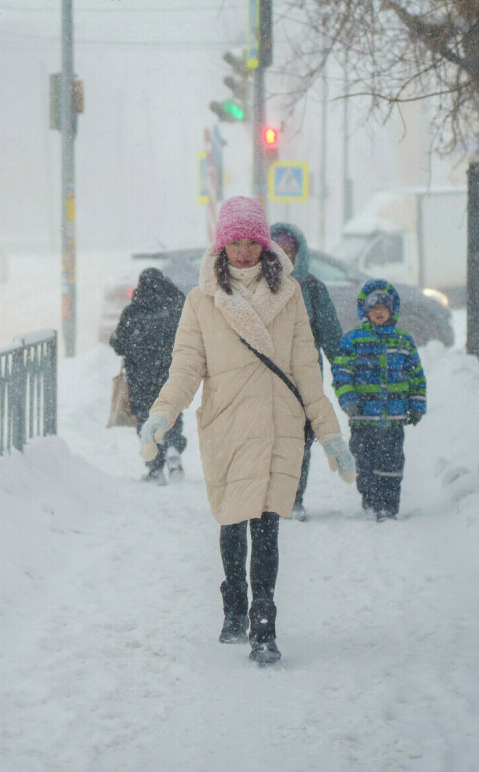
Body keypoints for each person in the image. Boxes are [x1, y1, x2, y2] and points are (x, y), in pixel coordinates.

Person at [138, 196, 356, 666]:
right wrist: (162, 413)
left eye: (249, 242)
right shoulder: (201, 301)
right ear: (222, 244)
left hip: (279, 427)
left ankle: (264, 624)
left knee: (268, 525)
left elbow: (306, 372)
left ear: (262, 242)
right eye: (232, 242)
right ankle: (234, 602)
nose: (242, 252)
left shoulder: (291, 295)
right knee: (232, 522)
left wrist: (330, 432)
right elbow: (186, 367)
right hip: (228, 427)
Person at [331, 278, 427, 520]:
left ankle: (389, 504)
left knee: (392, 464)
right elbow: (342, 374)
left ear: (391, 311)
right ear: (366, 312)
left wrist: (416, 405)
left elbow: (416, 377)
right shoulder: (353, 340)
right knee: (364, 462)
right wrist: (349, 400)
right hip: (363, 418)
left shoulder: (403, 342)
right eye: (374, 310)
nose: (379, 314)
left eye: (384, 310)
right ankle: (371, 499)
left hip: (393, 418)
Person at [269, 221, 343, 521]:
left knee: (299, 441)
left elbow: (332, 337)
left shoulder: (312, 290)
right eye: (278, 251)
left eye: (290, 252)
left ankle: (293, 499)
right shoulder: (256, 288)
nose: (284, 258)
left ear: (299, 255)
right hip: (266, 381)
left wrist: (346, 372)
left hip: (305, 382)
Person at [109, 267, 188, 484]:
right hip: (170, 375)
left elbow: (118, 344)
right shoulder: (175, 308)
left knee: (146, 420)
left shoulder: (133, 312)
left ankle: (155, 469)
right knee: (171, 415)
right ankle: (173, 447)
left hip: (140, 379)